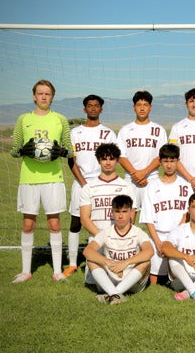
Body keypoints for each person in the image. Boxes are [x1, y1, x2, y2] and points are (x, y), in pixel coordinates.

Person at [10, 79, 73, 283]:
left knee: (54, 224)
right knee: (28, 224)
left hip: (53, 178)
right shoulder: (23, 119)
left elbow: (70, 150)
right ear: (34, 96)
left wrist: (61, 151)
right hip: (29, 178)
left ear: (52, 97)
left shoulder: (60, 119)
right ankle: (26, 271)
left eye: (47, 93)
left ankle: (57, 272)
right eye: (40, 93)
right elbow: (13, 150)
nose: (44, 97)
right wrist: (22, 150)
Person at [64, 94, 118, 278]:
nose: (93, 108)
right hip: (81, 183)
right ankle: (72, 264)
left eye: (96, 106)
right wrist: (84, 183)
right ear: (84, 109)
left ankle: (106, 257)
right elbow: (71, 161)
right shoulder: (75, 133)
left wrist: (101, 181)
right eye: (89, 105)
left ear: (101, 109)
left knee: (104, 221)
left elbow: (113, 160)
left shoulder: (108, 133)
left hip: (102, 184)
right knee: (76, 222)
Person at [78, 142, 138, 285]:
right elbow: (84, 219)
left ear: (117, 160)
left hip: (121, 241)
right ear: (99, 160)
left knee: (122, 281)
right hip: (97, 241)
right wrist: (103, 237)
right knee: (96, 284)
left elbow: (131, 217)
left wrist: (115, 238)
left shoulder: (127, 187)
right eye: (104, 159)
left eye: (111, 159)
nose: (108, 162)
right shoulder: (89, 187)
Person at [82, 194, 154, 305]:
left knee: (145, 262)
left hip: (133, 281)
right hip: (111, 278)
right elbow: (87, 251)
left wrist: (125, 263)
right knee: (91, 261)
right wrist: (108, 262)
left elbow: (149, 251)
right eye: (117, 211)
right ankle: (115, 294)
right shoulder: (106, 232)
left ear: (131, 212)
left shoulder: (138, 232)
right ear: (112, 212)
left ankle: (111, 294)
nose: (120, 216)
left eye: (124, 211)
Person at [138, 143, 193, 285]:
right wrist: (158, 243)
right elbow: (148, 218)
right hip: (158, 236)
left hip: (180, 235)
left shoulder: (185, 186)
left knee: (180, 279)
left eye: (172, 161)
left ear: (178, 161)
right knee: (155, 281)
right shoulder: (152, 186)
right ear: (160, 162)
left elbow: (187, 215)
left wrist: (175, 239)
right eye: (165, 161)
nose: (169, 165)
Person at [117, 90, 168, 212]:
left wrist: (143, 173)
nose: (142, 108)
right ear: (134, 107)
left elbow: (161, 156)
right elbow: (121, 156)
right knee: (128, 216)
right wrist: (135, 174)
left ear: (150, 107)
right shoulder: (125, 130)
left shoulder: (159, 130)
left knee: (153, 217)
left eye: (145, 105)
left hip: (151, 179)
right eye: (139, 105)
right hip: (130, 179)